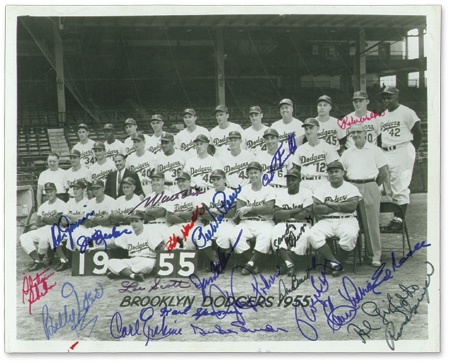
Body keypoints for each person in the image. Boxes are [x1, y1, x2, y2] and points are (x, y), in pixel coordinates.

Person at [341, 124, 389, 267]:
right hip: (352, 186)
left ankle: (374, 255)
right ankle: (355, 255)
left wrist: (372, 185)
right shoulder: (347, 152)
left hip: (370, 185)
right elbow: (341, 172)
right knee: (352, 221)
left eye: (358, 132)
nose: (356, 135)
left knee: (371, 223)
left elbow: (384, 172)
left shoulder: (375, 150)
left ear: (365, 133)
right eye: (353, 133)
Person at [378, 86, 423, 232]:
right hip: (387, 151)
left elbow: (419, 133)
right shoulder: (383, 115)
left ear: (397, 97)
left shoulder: (406, 112)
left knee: (400, 185)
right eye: (384, 97)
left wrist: (411, 151)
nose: (386, 100)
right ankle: (396, 218)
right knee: (388, 186)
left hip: (402, 149)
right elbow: (381, 137)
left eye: (389, 97)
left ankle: (399, 220)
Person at [307, 161, 362, 277]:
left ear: (343, 173)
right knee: (312, 234)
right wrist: (339, 206)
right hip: (327, 220)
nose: (334, 174)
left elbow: (351, 207)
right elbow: (316, 208)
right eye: (331, 172)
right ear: (327, 174)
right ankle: (335, 263)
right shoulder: (322, 188)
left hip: (347, 219)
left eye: (336, 171)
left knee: (350, 235)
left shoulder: (351, 188)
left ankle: (337, 262)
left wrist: (329, 204)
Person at [195, 169, 249, 270]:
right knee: (199, 235)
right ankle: (216, 261)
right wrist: (221, 211)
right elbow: (202, 214)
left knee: (224, 237)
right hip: (212, 223)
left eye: (218, 179)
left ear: (224, 179)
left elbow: (231, 213)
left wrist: (212, 210)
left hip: (227, 223)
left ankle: (217, 261)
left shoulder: (231, 193)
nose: (215, 182)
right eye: (213, 179)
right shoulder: (207, 194)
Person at [165, 171, 220, 270]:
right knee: (168, 234)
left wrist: (179, 213)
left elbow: (197, 214)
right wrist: (186, 215)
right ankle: (175, 265)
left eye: (183, 181)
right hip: (178, 225)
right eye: (179, 181)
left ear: (190, 181)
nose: (181, 183)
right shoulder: (174, 196)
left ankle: (215, 261)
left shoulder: (197, 194)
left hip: (195, 224)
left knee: (196, 237)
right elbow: (169, 217)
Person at [235, 162, 276, 275]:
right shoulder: (244, 190)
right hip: (246, 223)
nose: (253, 175)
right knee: (235, 236)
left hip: (264, 222)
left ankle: (250, 264)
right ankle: (254, 263)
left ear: (261, 173)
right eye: (251, 173)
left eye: (255, 172)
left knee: (266, 236)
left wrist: (249, 209)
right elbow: (239, 211)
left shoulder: (269, 189)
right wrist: (259, 209)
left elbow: (268, 209)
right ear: (248, 174)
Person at [271, 168, 313, 276]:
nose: (290, 182)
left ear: (300, 180)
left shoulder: (307, 193)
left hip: (302, 223)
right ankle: (290, 265)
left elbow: (307, 214)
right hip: (283, 223)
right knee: (275, 233)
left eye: (293, 179)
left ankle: (286, 263)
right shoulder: (280, 194)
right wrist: (297, 210)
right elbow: (277, 214)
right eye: (288, 179)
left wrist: (287, 212)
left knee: (304, 236)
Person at [106, 210, 166, 282]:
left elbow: (160, 247)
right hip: (133, 259)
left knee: (147, 265)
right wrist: (97, 247)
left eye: (136, 221)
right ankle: (133, 275)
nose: (133, 224)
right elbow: (114, 244)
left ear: (142, 221)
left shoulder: (150, 232)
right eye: (132, 221)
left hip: (148, 259)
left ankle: (123, 272)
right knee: (111, 262)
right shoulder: (128, 232)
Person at [19, 182, 68, 271]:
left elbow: (58, 220)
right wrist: (49, 219)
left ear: (56, 191)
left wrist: (44, 218)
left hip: (58, 228)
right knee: (24, 237)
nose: (49, 194)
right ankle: (38, 261)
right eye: (47, 192)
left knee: (50, 236)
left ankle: (63, 260)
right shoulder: (43, 206)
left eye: (51, 191)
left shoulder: (61, 203)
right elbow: (38, 222)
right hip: (45, 228)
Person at [291, 118, 339, 192]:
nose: (308, 131)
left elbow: (334, 169)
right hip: (305, 183)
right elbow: (295, 170)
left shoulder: (327, 147)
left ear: (318, 128)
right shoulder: (300, 149)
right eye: (306, 129)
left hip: (322, 181)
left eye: (311, 128)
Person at [54, 180, 90, 271]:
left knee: (73, 235)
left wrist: (69, 215)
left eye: (77, 188)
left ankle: (74, 260)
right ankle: (64, 260)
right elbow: (63, 220)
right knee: (55, 235)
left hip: (83, 227)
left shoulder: (87, 202)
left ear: (83, 190)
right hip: (70, 226)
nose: (75, 191)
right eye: (74, 188)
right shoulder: (69, 202)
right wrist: (75, 218)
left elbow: (83, 219)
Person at [125, 132, 156, 196]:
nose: (136, 144)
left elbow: (155, 176)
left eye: (138, 141)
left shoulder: (152, 156)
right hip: (134, 189)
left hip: (148, 186)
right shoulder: (129, 158)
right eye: (134, 142)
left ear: (144, 142)